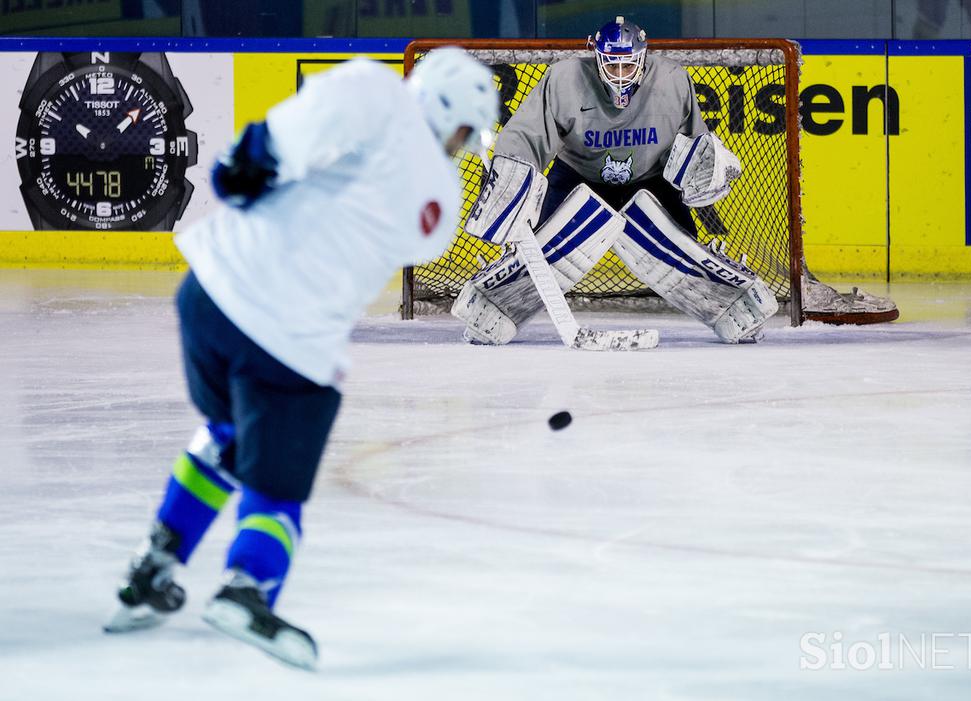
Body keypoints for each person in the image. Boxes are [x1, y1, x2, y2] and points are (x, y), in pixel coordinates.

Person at [103, 48, 499, 670]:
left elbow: (292, 133)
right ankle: (248, 587)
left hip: (208, 294)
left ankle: (153, 567)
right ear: (447, 110)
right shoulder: (442, 206)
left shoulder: (373, 88)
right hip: (288, 342)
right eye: (463, 130)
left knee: (227, 437)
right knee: (274, 483)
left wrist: (250, 159)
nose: (460, 145)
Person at [452, 16, 896, 346]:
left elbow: (694, 148)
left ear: (643, 59)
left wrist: (707, 169)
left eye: (630, 65)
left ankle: (728, 302)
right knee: (543, 247)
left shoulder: (673, 82)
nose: (621, 74)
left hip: (650, 180)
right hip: (578, 175)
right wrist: (513, 172)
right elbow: (527, 134)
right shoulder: (565, 79)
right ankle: (493, 302)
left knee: (685, 248)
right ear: (597, 56)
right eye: (613, 65)